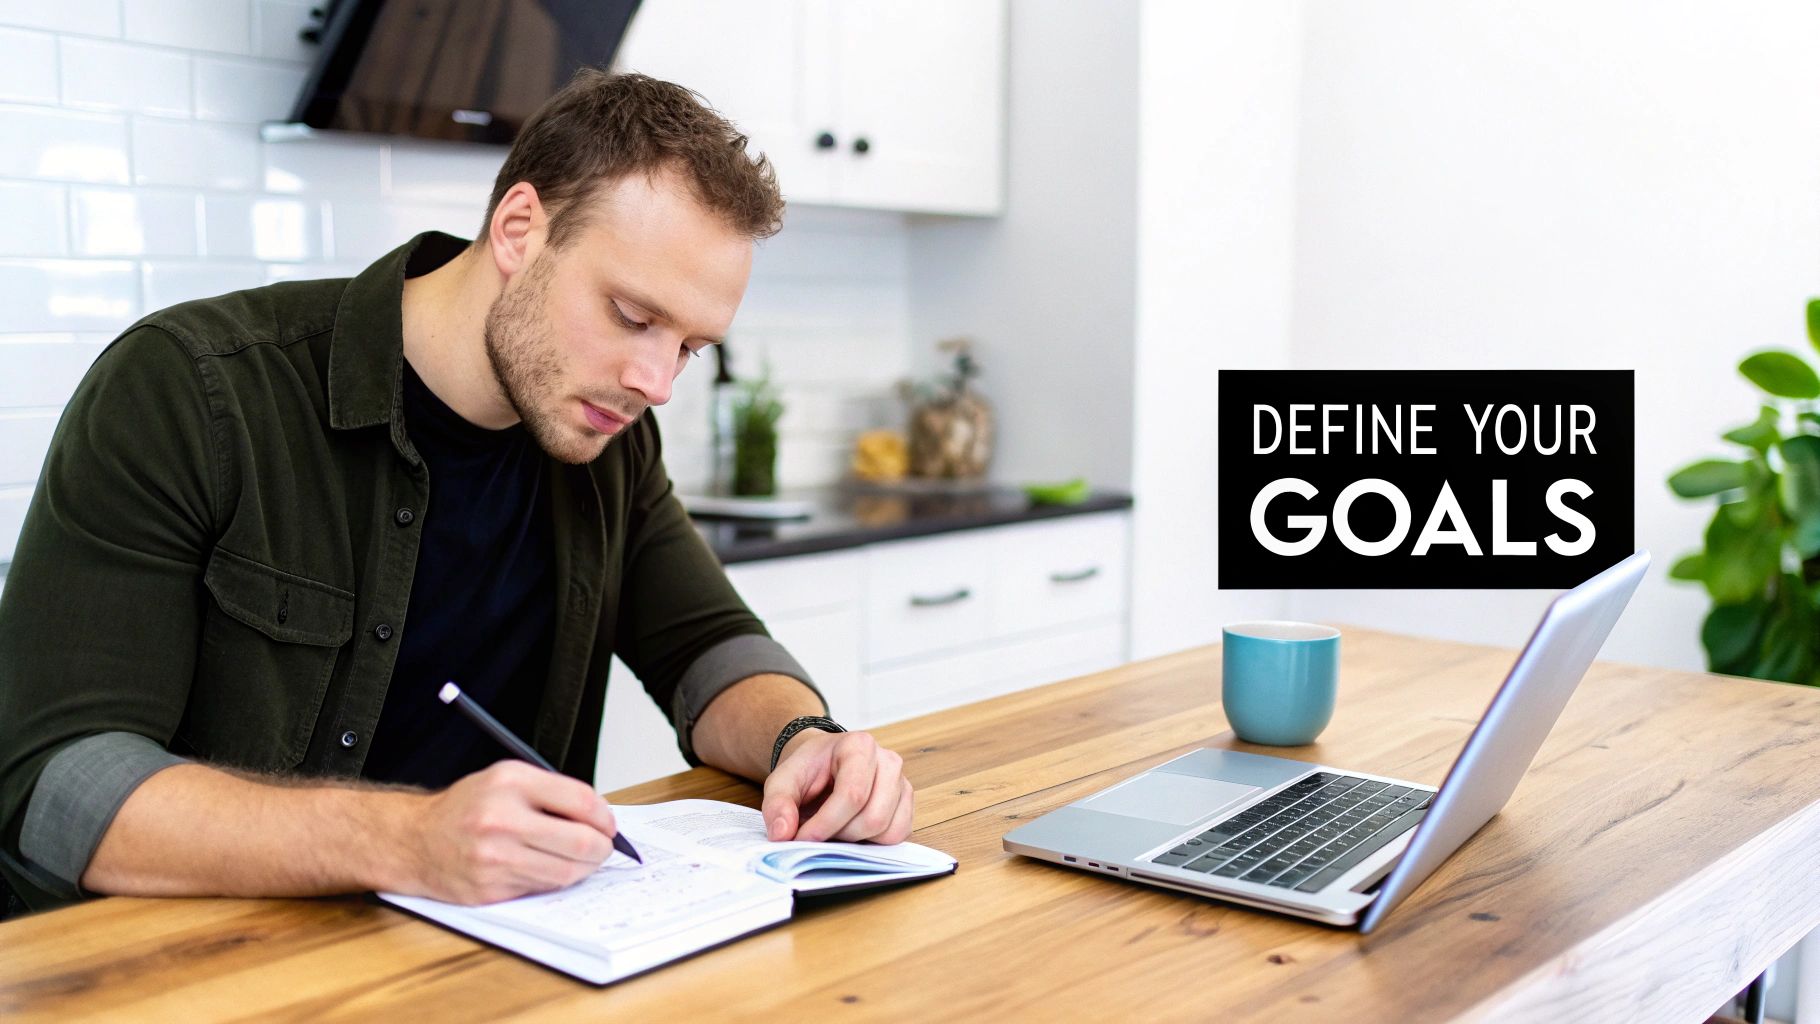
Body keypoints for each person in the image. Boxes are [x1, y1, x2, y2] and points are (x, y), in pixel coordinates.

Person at [0, 70, 913, 916]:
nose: (656, 381)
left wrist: (806, 741)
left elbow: (708, 648)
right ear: (520, 229)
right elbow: (54, 786)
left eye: (688, 347)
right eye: (634, 318)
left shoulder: (611, 438)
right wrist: (408, 840)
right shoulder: (192, 392)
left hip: (484, 954)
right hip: (192, 965)